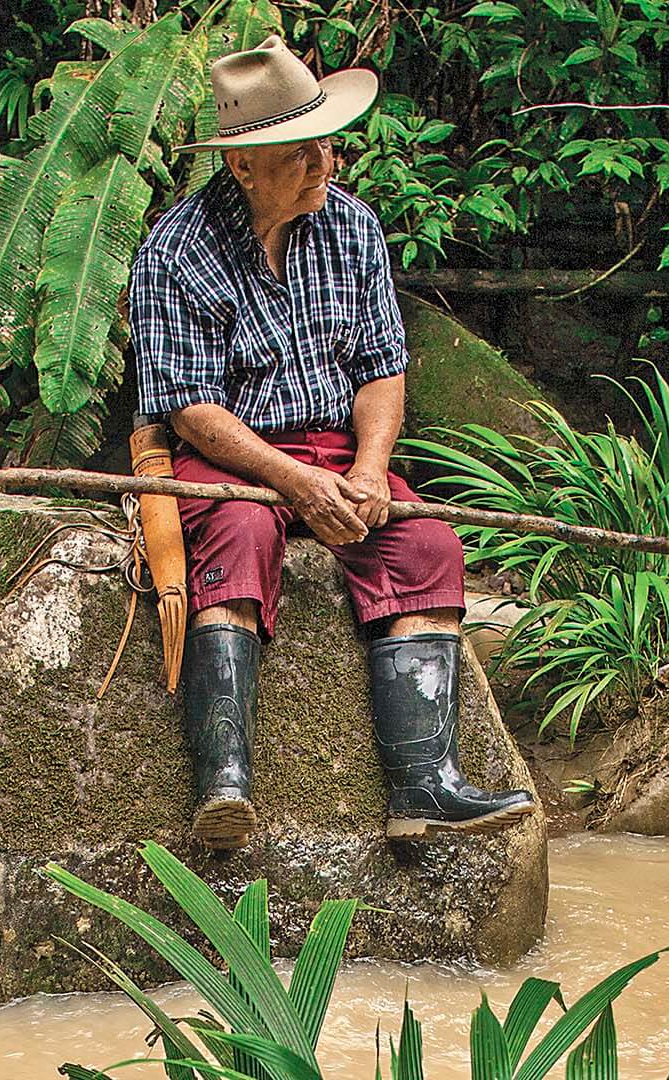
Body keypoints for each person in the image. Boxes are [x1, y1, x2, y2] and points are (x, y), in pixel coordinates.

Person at [128, 35, 534, 850]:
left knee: (426, 546)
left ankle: (425, 787)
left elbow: (381, 368)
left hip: (338, 448)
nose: (326, 161)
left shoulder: (352, 229)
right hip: (234, 453)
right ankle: (226, 788)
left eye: (325, 141)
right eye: (301, 150)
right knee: (240, 534)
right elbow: (190, 411)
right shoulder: (174, 252)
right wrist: (290, 483)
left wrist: (372, 469)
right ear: (243, 166)